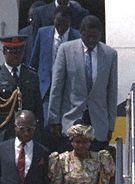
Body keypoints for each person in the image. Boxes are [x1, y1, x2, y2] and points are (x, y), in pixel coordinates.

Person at [48, 15, 118, 151]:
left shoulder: (110, 54)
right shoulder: (65, 50)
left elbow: (112, 91)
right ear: (81, 33)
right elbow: (57, 87)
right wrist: (54, 119)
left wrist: (110, 126)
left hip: (98, 124)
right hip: (71, 120)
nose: (91, 40)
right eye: (88, 37)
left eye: (95, 37)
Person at [29, 9, 81, 127]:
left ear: (70, 22)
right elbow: (34, 61)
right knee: (47, 123)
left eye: (64, 23)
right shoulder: (43, 33)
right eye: (58, 22)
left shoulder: (77, 37)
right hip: (46, 89)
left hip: (68, 91)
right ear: (54, 20)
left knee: (67, 125)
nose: (61, 26)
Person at [18, 1, 46, 66]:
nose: (31, 21)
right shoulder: (23, 33)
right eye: (30, 18)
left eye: (34, 19)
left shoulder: (50, 33)